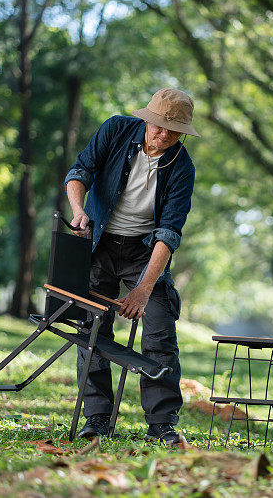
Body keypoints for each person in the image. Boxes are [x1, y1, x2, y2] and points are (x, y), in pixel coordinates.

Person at [64, 88, 198, 445]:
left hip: (145, 252)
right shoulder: (115, 130)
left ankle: (161, 423)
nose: (164, 135)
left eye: (173, 130)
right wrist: (80, 211)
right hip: (100, 241)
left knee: (160, 332)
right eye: (158, 126)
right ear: (146, 119)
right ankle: (96, 418)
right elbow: (80, 172)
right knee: (92, 330)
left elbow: (168, 234)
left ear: (183, 132)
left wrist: (143, 288)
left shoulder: (183, 167)